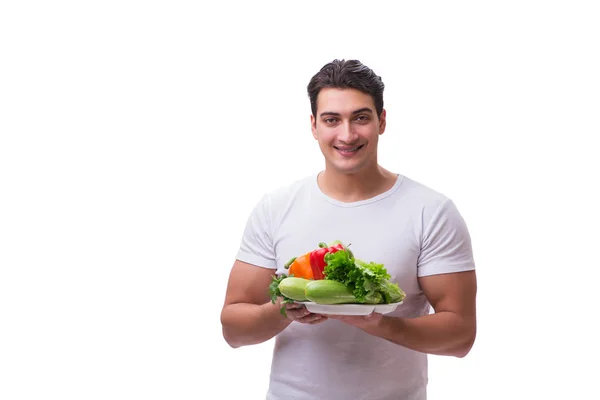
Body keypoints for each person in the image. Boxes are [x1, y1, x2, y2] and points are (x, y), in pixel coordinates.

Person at [220, 59, 477, 400]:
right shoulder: (276, 207)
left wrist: (381, 323)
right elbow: (233, 329)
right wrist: (282, 310)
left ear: (381, 121)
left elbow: (460, 336)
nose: (347, 134)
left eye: (360, 117)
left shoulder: (430, 211)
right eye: (331, 120)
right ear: (313, 125)